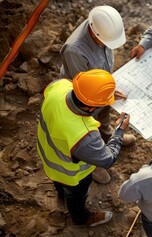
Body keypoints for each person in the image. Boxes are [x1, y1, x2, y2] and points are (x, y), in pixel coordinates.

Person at [36, 69, 131, 227]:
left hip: (48, 153)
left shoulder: (60, 86)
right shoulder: (84, 136)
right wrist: (119, 130)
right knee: (76, 196)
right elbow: (108, 159)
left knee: (60, 185)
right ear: (90, 107)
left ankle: (61, 193)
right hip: (70, 174)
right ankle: (81, 219)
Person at [59, 5, 136, 183]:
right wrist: (105, 93)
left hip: (99, 86)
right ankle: (92, 161)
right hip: (85, 97)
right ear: (94, 34)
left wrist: (107, 90)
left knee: (104, 113)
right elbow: (85, 92)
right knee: (89, 125)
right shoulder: (74, 50)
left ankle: (108, 134)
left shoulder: (104, 26)